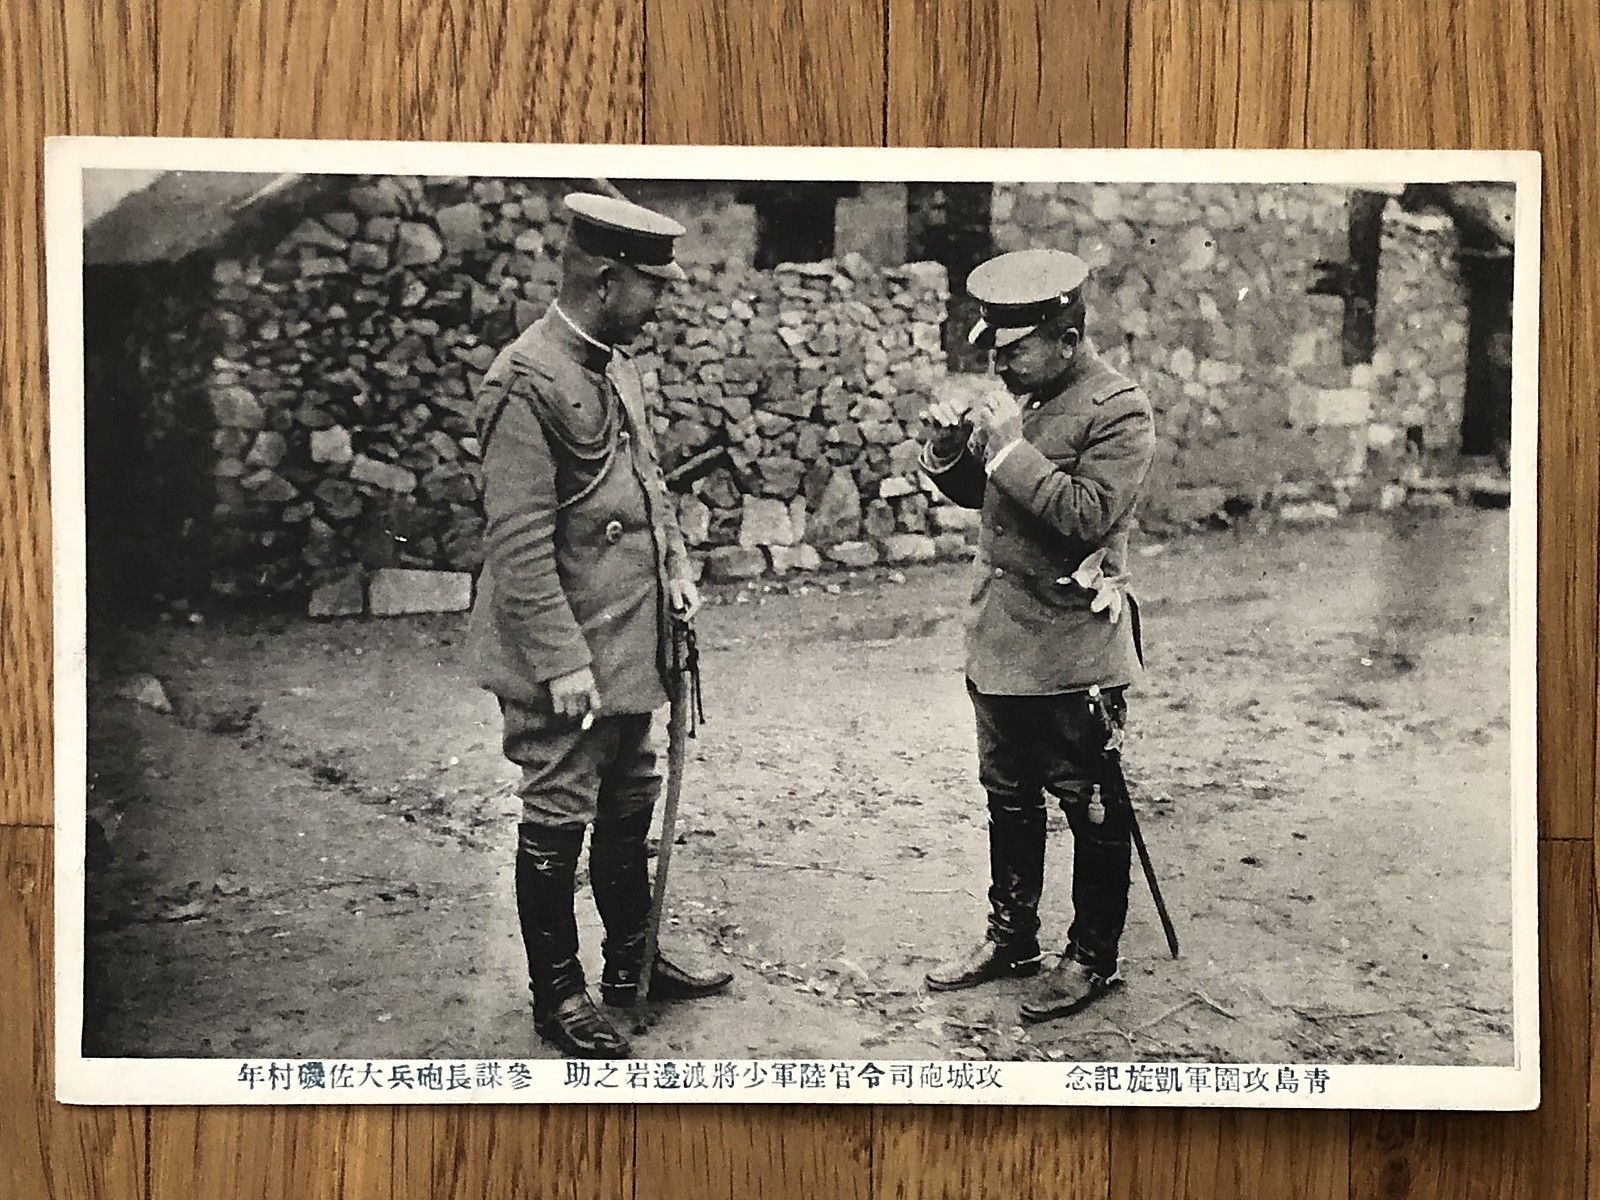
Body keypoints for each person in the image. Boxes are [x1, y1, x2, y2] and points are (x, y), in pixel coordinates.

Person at [470, 192, 732, 1058]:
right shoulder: (525, 379)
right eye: (652, 286)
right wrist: (557, 660)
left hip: (630, 641)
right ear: (607, 279)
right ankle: (560, 996)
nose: (662, 301)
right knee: (557, 810)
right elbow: (516, 540)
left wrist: (678, 572)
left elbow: (647, 492)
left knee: (629, 800)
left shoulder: (613, 364)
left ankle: (634, 962)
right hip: (571, 654)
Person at [918, 248, 1157, 1022]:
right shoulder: (1023, 394)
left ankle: (1092, 958)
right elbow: (982, 498)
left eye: (1016, 348)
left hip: (1070, 651)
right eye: (997, 350)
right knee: (1008, 799)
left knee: (1087, 804)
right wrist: (950, 450)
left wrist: (1013, 447)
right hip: (1000, 640)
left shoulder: (1118, 408)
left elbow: (1086, 514)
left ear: (1066, 335)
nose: (1003, 363)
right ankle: (1012, 936)